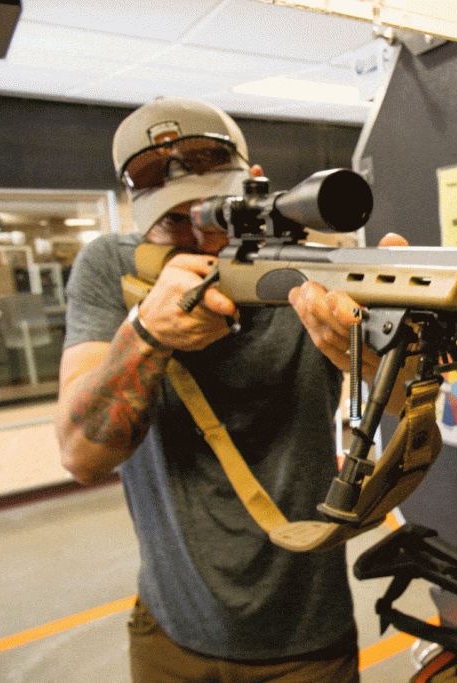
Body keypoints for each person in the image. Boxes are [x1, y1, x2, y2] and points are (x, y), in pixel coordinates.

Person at [55, 97, 406, 682]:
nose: (200, 237)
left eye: (217, 216)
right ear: (140, 218)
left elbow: (414, 406)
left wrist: (381, 353)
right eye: (174, 222)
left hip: (304, 637)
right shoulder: (109, 267)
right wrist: (146, 333)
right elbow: (80, 454)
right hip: (170, 628)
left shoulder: (312, 269)